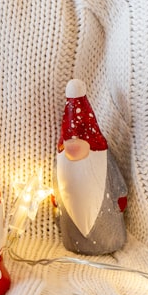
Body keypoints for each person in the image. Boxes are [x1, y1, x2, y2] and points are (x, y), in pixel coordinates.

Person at [53, 79, 127, 255]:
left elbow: (118, 186)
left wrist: (120, 199)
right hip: (71, 234)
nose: (72, 146)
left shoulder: (101, 159)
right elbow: (57, 191)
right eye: (69, 141)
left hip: (108, 228)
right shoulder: (62, 161)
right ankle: (75, 241)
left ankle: (105, 241)